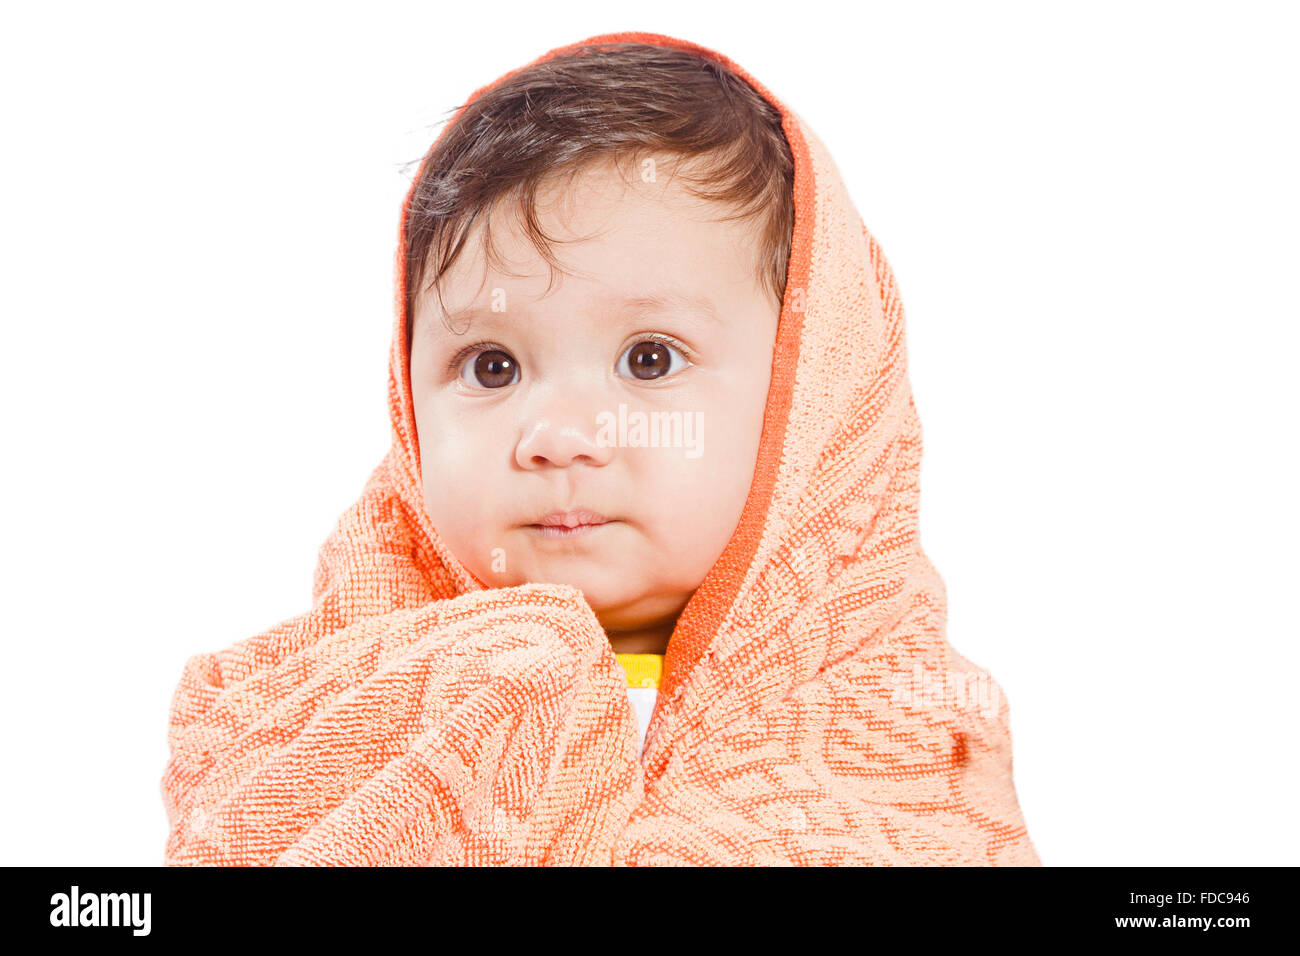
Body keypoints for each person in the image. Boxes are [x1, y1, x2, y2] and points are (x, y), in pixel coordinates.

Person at [161, 30, 1040, 866]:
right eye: (493, 365)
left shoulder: (903, 728)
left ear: (813, 401)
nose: (558, 437)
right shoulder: (327, 703)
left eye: (648, 359)